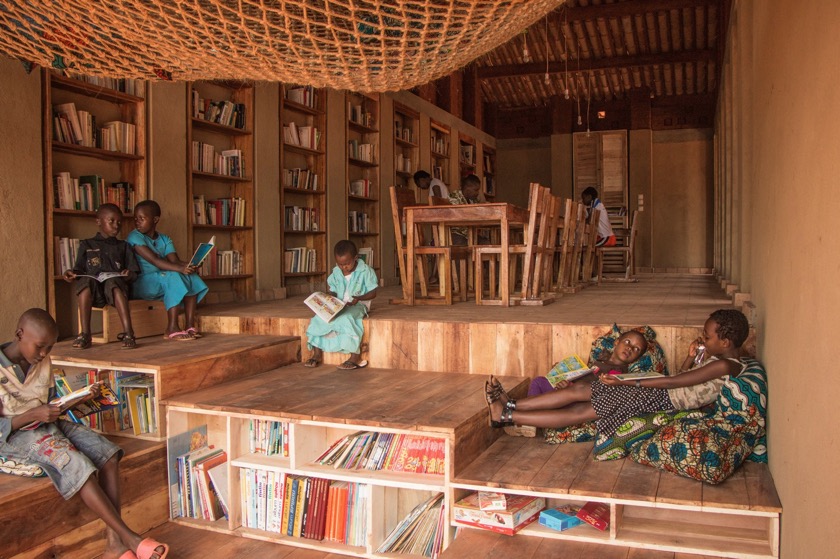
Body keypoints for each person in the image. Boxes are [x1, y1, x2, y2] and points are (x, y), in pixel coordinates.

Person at [0, 309, 169, 559]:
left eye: (49, 347)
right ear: (19, 334)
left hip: (46, 425)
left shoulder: (41, 360)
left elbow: (48, 401)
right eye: (39, 347)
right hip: (14, 437)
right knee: (78, 464)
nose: (44, 354)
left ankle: (114, 544)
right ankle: (130, 537)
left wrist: (73, 402)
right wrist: (33, 416)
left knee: (108, 454)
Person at [486, 309, 751, 438]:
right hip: (658, 392)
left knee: (579, 409)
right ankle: (509, 406)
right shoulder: (722, 358)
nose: (703, 338)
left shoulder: (725, 366)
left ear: (726, 342)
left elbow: (675, 381)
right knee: (579, 392)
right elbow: (684, 375)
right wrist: (692, 356)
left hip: (659, 398)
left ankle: (508, 413)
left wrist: (630, 381)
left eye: (707, 336)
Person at [127, 200, 209, 340]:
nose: (137, 222)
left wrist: (191, 265)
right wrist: (181, 268)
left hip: (161, 278)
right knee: (173, 276)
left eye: (142, 218)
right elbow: (155, 261)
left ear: (155, 219)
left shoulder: (164, 239)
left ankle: (189, 325)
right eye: (136, 218)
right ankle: (172, 328)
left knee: (191, 276)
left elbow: (175, 262)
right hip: (142, 283)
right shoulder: (134, 237)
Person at [63, 203, 140, 350]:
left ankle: (129, 333)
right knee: (85, 282)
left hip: (115, 291)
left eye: (119, 222)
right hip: (95, 292)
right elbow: (78, 270)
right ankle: (85, 334)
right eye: (111, 221)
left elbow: (134, 273)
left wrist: (129, 274)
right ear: (98, 221)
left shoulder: (124, 246)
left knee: (114, 283)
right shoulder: (87, 244)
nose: (116, 226)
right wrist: (70, 274)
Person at [304, 240, 378, 370]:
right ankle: (316, 354)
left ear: (356, 258)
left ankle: (355, 356)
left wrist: (359, 298)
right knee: (318, 318)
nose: (344, 267)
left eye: (347, 264)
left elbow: (373, 292)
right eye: (340, 264)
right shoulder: (336, 273)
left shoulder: (366, 271)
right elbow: (333, 289)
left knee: (347, 319)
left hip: (357, 305)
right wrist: (328, 298)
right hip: (338, 306)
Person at [448, 174, 489, 245]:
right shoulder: (455, 197)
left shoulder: (472, 200)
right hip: (455, 233)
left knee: (486, 243)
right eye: (476, 190)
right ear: (467, 188)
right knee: (465, 244)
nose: (477, 193)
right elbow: (458, 215)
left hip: (469, 234)